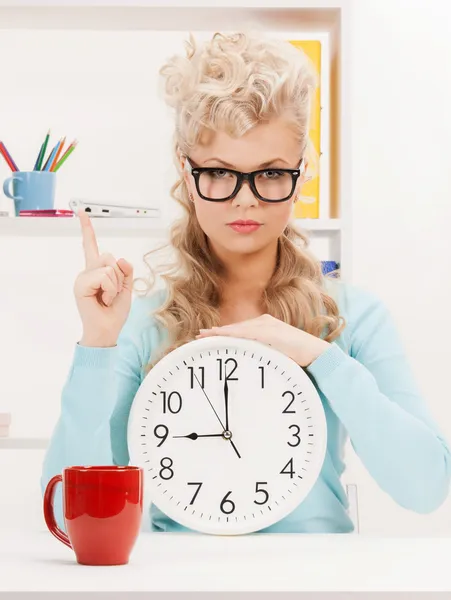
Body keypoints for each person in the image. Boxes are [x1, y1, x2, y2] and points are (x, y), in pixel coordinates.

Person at [41, 31, 450, 534]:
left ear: (302, 174)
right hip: (180, 581)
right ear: (187, 176)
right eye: (219, 173)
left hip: (320, 580)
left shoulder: (352, 318)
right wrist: (98, 344)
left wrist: (323, 359)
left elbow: (426, 487)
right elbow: (67, 514)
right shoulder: (144, 323)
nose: (245, 200)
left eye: (271, 174)